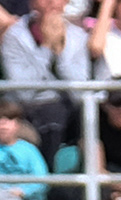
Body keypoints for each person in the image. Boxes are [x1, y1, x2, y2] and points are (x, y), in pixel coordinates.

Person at [1, 0, 93, 165]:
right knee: (52, 114)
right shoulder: (14, 36)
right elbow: (24, 92)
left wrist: (60, 51)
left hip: (69, 106)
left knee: (89, 115)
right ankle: (48, 181)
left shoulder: (78, 36)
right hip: (28, 108)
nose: (52, 3)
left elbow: (79, 90)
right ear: (32, 3)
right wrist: (46, 48)